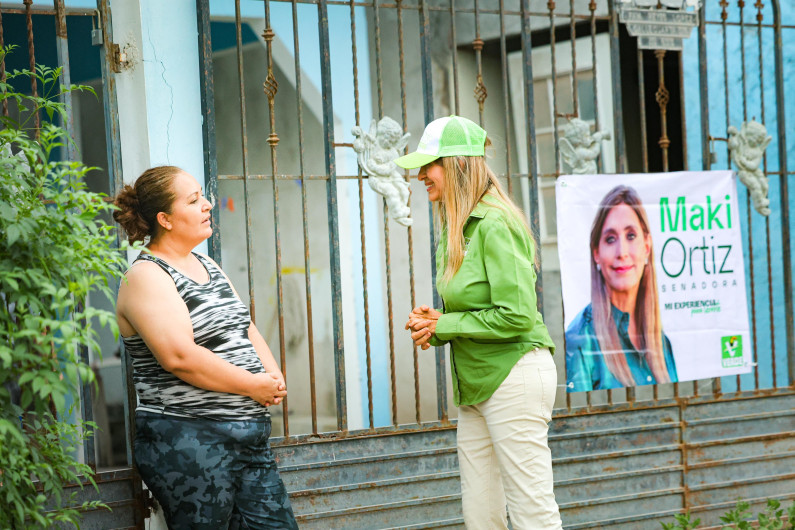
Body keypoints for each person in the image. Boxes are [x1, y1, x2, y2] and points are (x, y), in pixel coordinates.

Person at [399, 116, 562, 529]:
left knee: (532, 514)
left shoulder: (495, 223)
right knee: (481, 515)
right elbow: (469, 310)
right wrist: (436, 322)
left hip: (513, 376)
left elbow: (518, 315)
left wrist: (446, 326)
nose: (420, 175)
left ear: (456, 165)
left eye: (428, 165)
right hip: (476, 384)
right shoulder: (455, 224)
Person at [113, 166, 298, 529]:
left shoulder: (206, 263)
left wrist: (271, 373)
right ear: (164, 219)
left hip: (247, 438)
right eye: (194, 200)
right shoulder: (146, 275)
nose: (208, 205)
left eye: (203, 196)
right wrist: (251, 385)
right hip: (192, 441)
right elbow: (179, 357)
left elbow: (243, 327)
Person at [565, 184, 677, 392]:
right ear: (596, 252)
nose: (622, 252)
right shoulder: (579, 341)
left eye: (631, 236)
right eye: (610, 239)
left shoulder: (662, 343)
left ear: (646, 245)